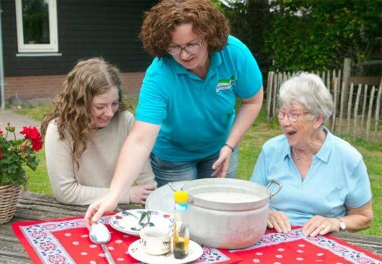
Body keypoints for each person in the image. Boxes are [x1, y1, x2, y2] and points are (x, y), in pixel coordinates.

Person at [84, 0, 263, 227]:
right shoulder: (159, 75)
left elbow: (252, 101)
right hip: (173, 157)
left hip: (220, 149)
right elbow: (139, 140)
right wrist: (114, 195)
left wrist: (229, 145)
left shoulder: (234, 54)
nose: (184, 55)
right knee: (180, 219)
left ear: (208, 36)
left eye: (192, 44)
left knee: (218, 218)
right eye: (174, 47)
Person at [250, 72, 373, 237]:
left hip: (323, 242)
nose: (285, 122)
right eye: (282, 113)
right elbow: (250, 201)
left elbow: (364, 216)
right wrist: (266, 214)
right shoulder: (271, 150)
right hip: (271, 238)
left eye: (294, 115)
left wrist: (335, 222)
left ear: (318, 119)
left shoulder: (349, 158)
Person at [41, 57, 156, 206]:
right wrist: (125, 195)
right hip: (76, 211)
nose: (109, 113)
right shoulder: (59, 130)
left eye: (114, 103)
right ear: (80, 104)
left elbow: (145, 178)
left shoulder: (125, 120)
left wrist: (151, 201)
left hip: (116, 210)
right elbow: (65, 192)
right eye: (100, 107)